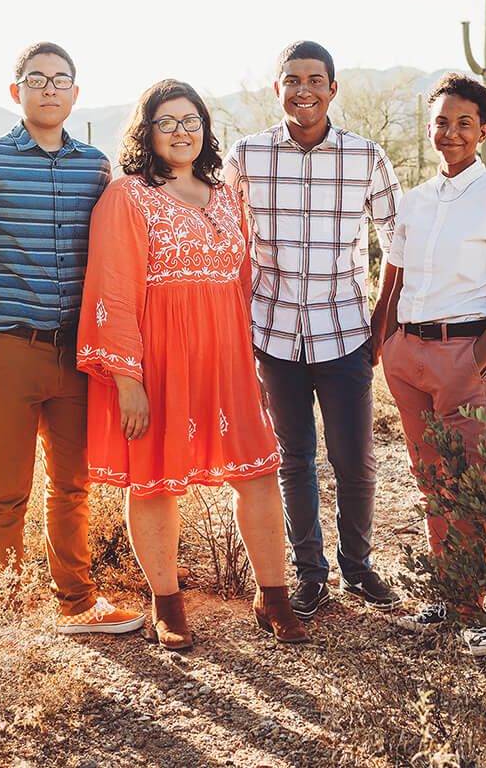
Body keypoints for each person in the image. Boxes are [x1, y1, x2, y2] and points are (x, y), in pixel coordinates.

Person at [78, 79, 308, 649]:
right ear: (147, 131)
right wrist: (128, 382)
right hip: (159, 360)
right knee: (155, 478)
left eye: (191, 120)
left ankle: (272, 595)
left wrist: (250, 355)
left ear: (205, 129)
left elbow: (242, 281)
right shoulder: (127, 196)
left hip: (226, 356)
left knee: (257, 470)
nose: (181, 131)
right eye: (167, 121)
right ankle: (168, 604)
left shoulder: (225, 194)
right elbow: (115, 290)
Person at [0, 42, 143, 634]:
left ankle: (75, 602)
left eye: (61, 80)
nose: (49, 89)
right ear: (15, 92)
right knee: (4, 492)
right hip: (6, 350)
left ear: (76, 94)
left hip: (77, 353)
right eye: (36, 79)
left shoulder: (97, 168)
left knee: (73, 487)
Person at [231, 41, 403, 619]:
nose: (303, 89)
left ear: (334, 88)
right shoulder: (246, 155)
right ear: (276, 88)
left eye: (315, 79)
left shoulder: (365, 156)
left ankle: (358, 568)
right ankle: (311, 576)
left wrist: (383, 318)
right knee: (294, 459)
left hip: (346, 332)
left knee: (354, 460)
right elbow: (222, 231)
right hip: (274, 334)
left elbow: (398, 241)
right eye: (292, 79)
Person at [374, 73, 486, 657]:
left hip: (467, 355)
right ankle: (446, 594)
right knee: (428, 480)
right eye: (441, 121)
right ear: (430, 127)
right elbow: (392, 280)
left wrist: (476, 360)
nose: (451, 132)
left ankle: (472, 611)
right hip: (408, 358)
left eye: (463, 122)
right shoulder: (414, 202)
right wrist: (384, 343)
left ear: (483, 131)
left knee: (466, 483)